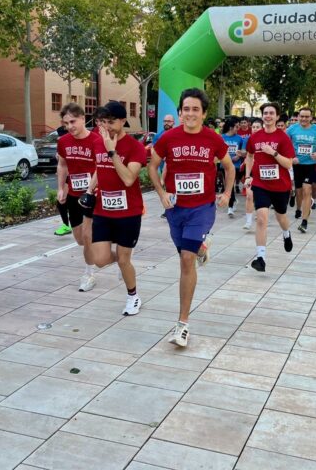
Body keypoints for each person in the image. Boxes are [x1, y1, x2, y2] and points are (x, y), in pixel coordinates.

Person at [149, 89, 234, 347]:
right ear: (180, 113)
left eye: (196, 109)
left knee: (187, 261)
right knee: (186, 251)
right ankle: (201, 247)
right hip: (176, 209)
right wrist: (161, 193)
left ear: (204, 113)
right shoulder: (168, 138)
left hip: (202, 208)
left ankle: (182, 324)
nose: (190, 114)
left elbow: (229, 167)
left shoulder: (213, 139)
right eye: (186, 109)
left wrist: (228, 193)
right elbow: (152, 166)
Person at [87, 101, 147, 316]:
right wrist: (89, 189)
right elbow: (98, 168)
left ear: (123, 121)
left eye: (111, 122)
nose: (107, 127)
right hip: (103, 209)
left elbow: (129, 179)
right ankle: (124, 264)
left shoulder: (135, 147)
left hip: (129, 212)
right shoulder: (97, 143)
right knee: (100, 259)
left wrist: (112, 152)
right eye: (102, 122)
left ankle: (133, 296)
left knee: (123, 258)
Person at [244, 102, 295, 272]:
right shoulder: (254, 137)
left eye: (271, 113)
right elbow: (250, 156)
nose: (268, 116)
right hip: (261, 184)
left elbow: (288, 163)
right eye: (265, 113)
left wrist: (272, 152)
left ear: (277, 116)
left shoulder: (283, 138)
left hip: (281, 185)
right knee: (262, 218)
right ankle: (260, 258)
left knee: (281, 217)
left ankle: (286, 234)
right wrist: (248, 175)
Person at [56, 103, 101, 291]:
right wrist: (61, 187)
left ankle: (89, 274)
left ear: (83, 118)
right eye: (66, 123)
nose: (70, 126)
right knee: (80, 239)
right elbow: (63, 165)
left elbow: (101, 167)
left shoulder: (97, 140)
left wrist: (91, 189)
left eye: (73, 121)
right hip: (74, 194)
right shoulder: (64, 141)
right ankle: (104, 251)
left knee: (87, 235)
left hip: (92, 194)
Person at [286, 107, 316, 233]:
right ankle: (298, 208)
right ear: (298, 117)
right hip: (296, 164)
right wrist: (291, 157)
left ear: (311, 118)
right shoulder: (291, 129)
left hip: (310, 164)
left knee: (307, 189)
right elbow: (284, 144)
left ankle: (304, 221)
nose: (304, 119)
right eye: (302, 116)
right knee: (299, 190)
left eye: (307, 117)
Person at [221, 117, 245, 218]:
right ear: (231, 127)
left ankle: (230, 208)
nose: (238, 129)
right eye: (236, 127)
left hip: (235, 165)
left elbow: (243, 152)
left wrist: (238, 156)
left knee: (230, 184)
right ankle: (233, 200)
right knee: (227, 185)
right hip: (223, 164)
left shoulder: (239, 139)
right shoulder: (221, 137)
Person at [243, 118, 263, 230]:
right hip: (252, 172)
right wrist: (247, 176)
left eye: (257, 127)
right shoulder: (249, 139)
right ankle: (248, 221)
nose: (255, 129)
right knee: (249, 196)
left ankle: (260, 214)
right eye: (253, 127)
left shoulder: (267, 139)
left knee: (260, 198)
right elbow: (248, 156)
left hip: (264, 173)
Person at [54, 123, 72, 236]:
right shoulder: (61, 145)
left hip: (74, 177)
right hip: (66, 178)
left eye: (60, 136)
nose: (58, 139)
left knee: (64, 201)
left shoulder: (69, 144)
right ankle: (66, 225)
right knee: (61, 200)